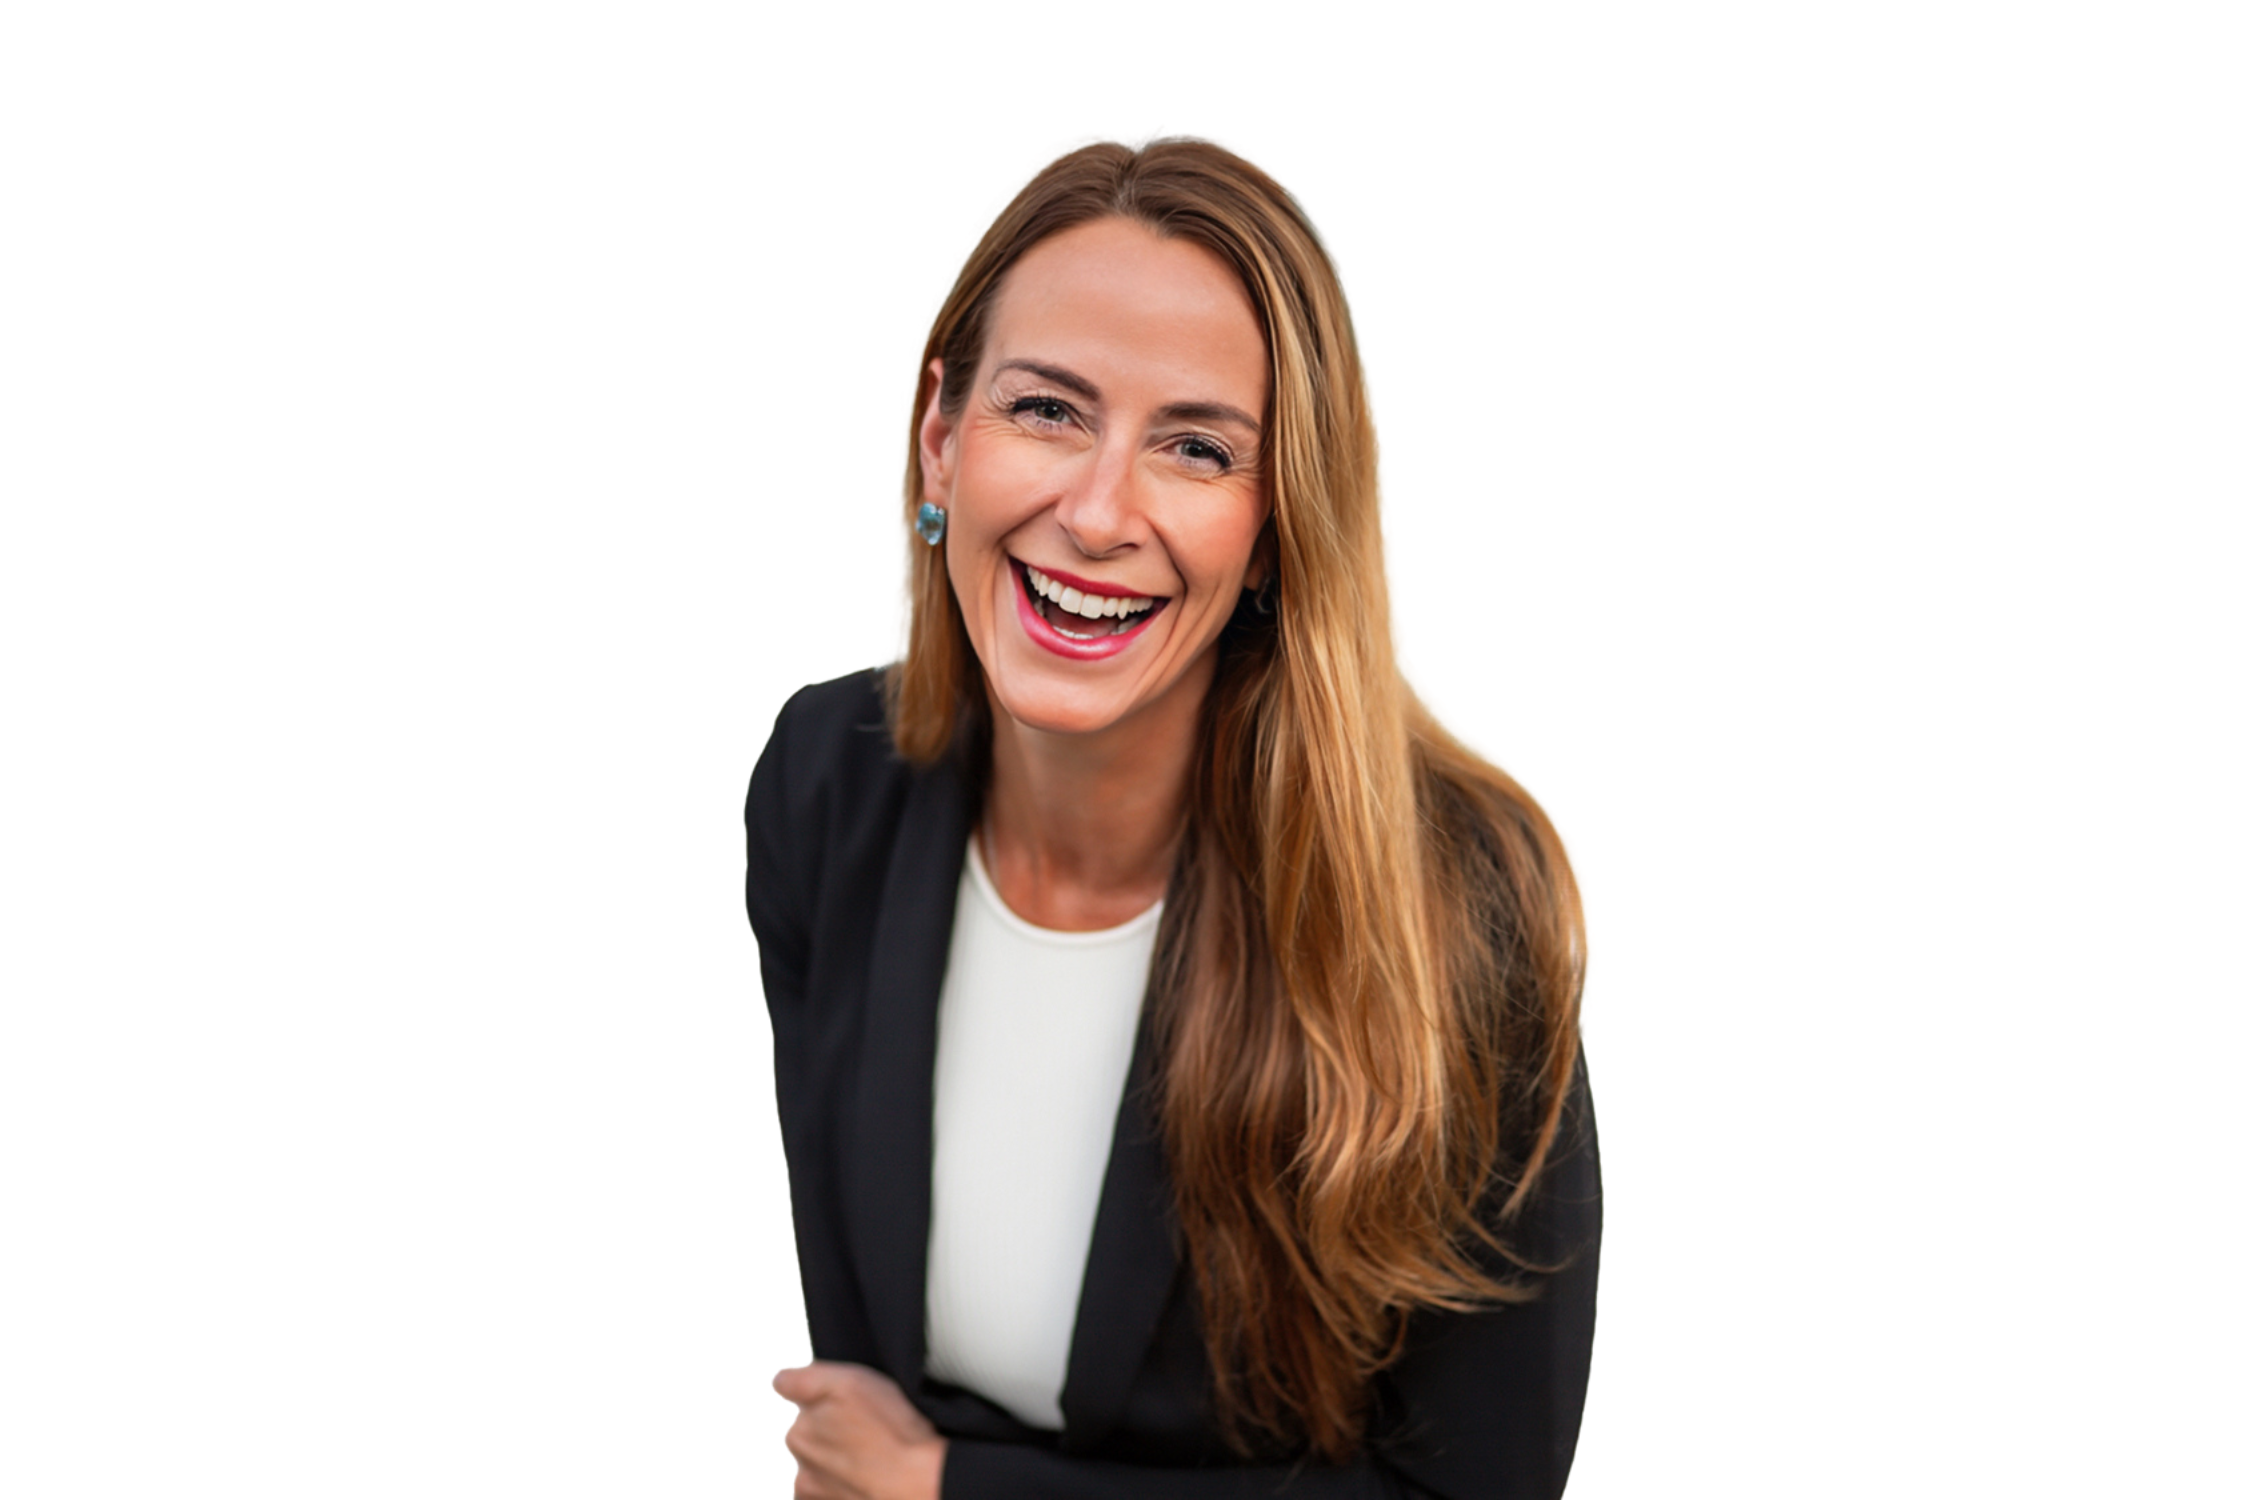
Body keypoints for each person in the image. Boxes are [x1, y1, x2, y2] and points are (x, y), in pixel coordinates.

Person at [750, 128, 1602, 1498]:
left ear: (1274, 525)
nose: (1097, 512)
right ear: (941, 436)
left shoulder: (1457, 892)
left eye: (1196, 448)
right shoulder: (825, 777)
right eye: (1047, 410)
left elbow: (1476, 1489)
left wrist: (946, 1492)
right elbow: (857, 1383)